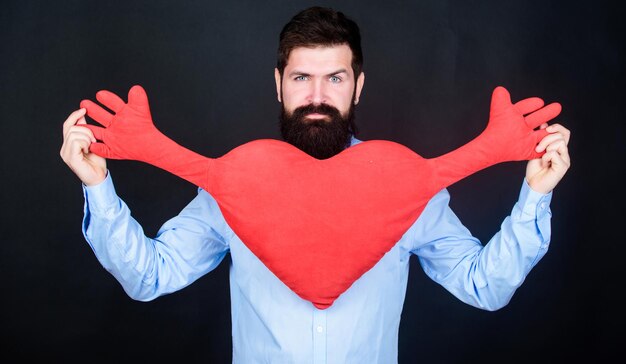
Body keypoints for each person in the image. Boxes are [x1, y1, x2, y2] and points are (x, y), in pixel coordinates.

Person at [59, 6, 570, 364]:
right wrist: (98, 186)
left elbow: (483, 286)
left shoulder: (408, 189)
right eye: (302, 78)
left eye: (336, 78)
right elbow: (150, 276)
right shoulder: (236, 185)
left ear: (359, 85)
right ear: (278, 83)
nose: (318, 96)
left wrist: (536, 196)